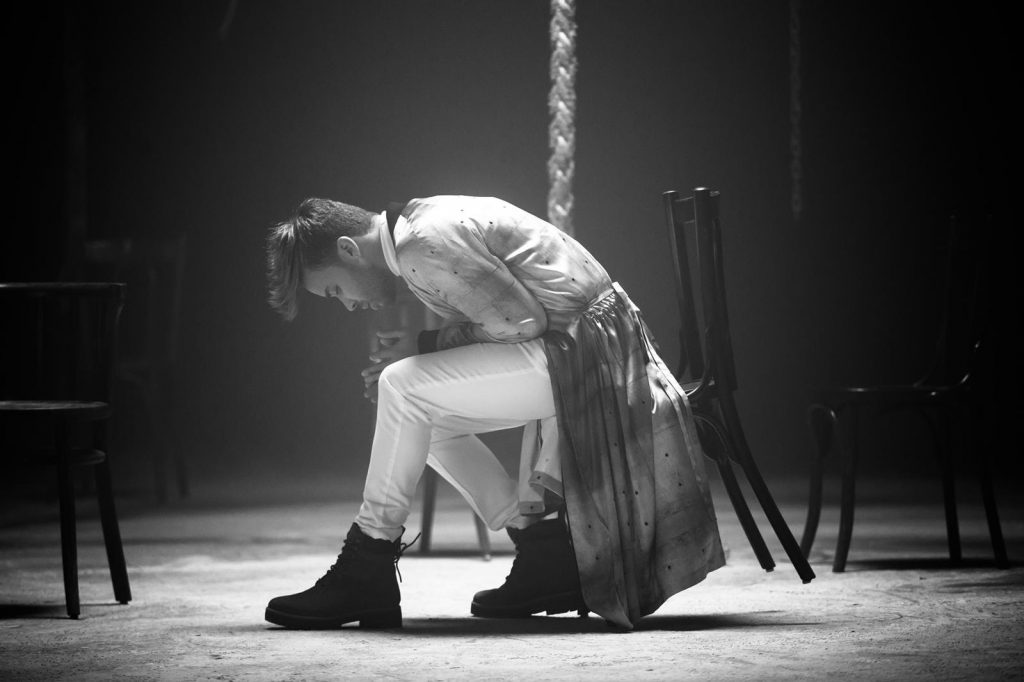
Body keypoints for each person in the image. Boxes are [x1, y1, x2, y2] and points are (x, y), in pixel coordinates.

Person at [263, 194, 724, 630]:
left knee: (401, 386)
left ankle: (367, 563)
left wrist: (426, 345)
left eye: (335, 290)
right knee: (412, 408)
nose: (348, 304)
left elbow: (520, 324)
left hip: (588, 356)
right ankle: (543, 553)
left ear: (348, 249)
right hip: (587, 345)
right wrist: (424, 352)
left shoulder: (419, 244)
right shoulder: (420, 223)